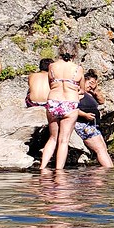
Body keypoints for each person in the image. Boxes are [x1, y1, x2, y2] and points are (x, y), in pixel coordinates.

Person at [39, 40, 83, 171]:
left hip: (53, 101)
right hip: (69, 103)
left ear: (60, 52)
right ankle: (59, 171)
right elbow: (82, 89)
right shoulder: (78, 69)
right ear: (75, 54)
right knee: (63, 140)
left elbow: (50, 84)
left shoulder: (52, 66)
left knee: (52, 137)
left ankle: (42, 167)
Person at [75, 69, 113, 168]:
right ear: (84, 80)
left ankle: (103, 172)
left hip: (92, 125)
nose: (91, 86)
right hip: (83, 123)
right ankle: (108, 171)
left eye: (94, 84)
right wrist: (84, 115)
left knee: (103, 148)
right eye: (90, 82)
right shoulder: (77, 91)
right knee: (100, 149)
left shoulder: (91, 94)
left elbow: (102, 101)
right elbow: (70, 107)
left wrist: (95, 89)